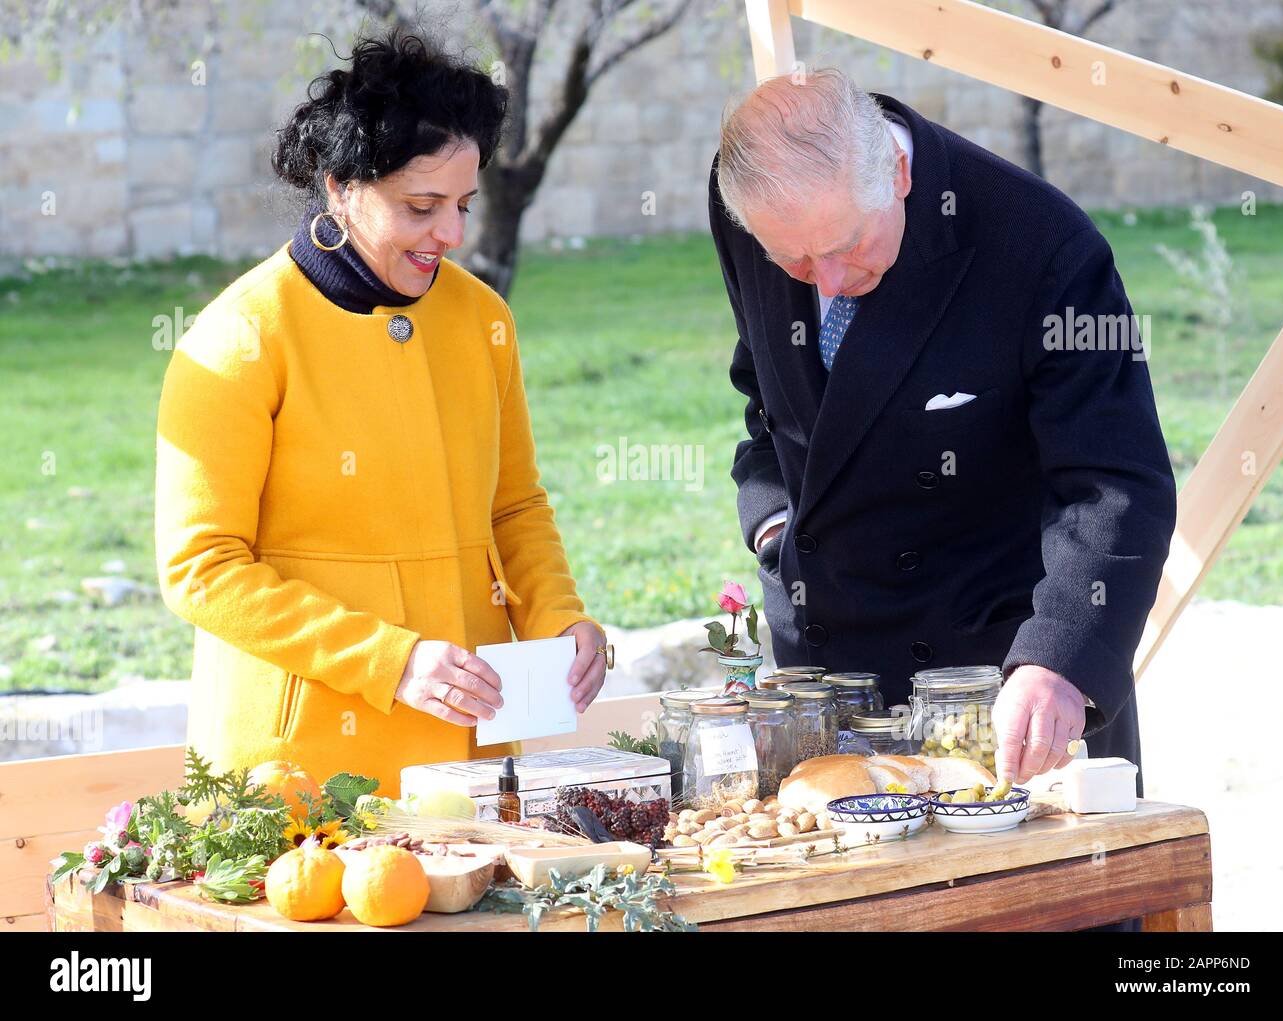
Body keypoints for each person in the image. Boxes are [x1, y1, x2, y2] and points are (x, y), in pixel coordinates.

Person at [155, 30, 608, 795]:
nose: (453, 235)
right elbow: (201, 570)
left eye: (463, 204)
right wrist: (389, 660)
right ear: (339, 186)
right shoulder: (241, 336)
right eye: (422, 206)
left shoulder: (483, 318)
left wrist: (560, 619)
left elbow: (515, 504)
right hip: (298, 772)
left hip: (469, 753)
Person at [711, 69, 1176, 792]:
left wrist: (1060, 661)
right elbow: (768, 387)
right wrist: (771, 519)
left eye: (845, 245)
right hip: (827, 669)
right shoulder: (749, 197)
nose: (825, 281)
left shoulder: (1045, 248)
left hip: (1005, 686)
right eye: (795, 260)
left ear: (898, 173)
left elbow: (1116, 482)